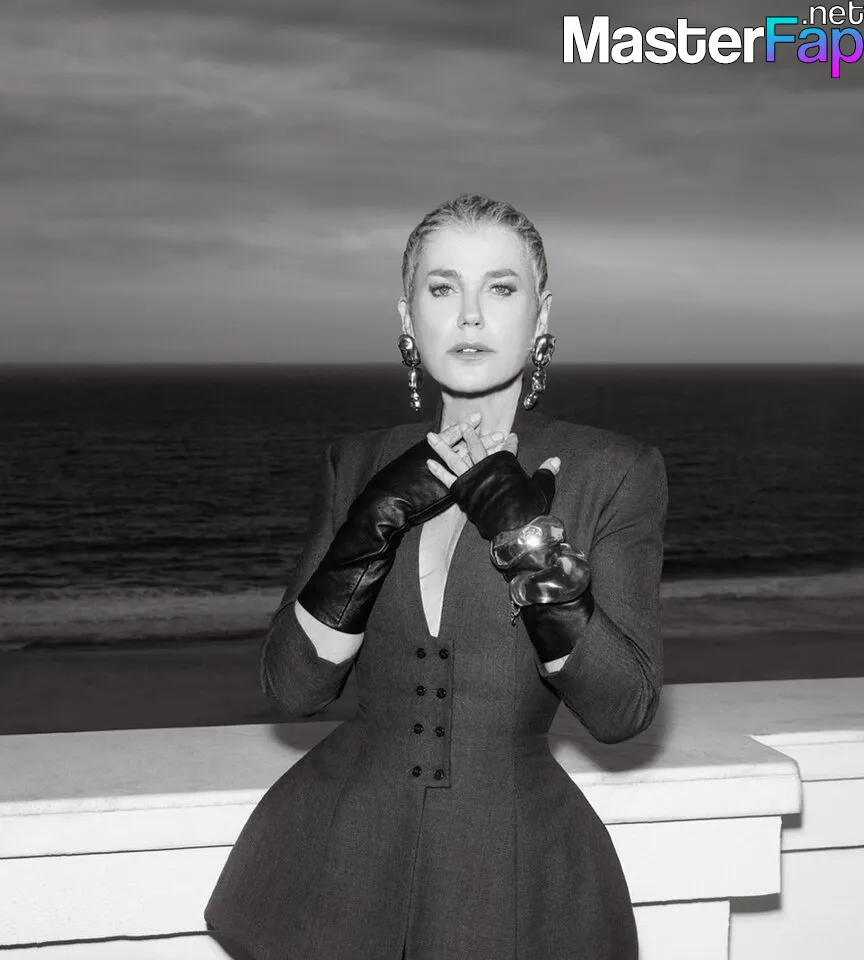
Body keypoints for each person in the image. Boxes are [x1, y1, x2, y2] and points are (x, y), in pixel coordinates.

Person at [204, 194, 669, 960]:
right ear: (408, 316)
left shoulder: (613, 472)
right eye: (443, 287)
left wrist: (525, 540)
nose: (471, 316)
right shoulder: (355, 462)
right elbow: (294, 688)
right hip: (337, 864)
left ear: (543, 315)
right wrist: (373, 519)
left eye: (502, 288)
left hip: (510, 873)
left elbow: (622, 708)